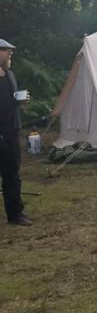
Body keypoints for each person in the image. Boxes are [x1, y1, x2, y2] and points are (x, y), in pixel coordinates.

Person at [0, 38, 32, 226]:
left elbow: (10, 99)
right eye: (5, 50)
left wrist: (21, 99)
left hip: (11, 131)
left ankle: (15, 214)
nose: (10, 53)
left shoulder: (10, 74)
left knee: (12, 174)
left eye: (10, 51)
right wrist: (15, 102)